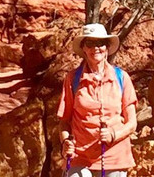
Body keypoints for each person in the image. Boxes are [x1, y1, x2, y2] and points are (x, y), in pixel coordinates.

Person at [58, 23, 138, 177]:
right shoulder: (72, 79)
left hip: (115, 157)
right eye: (90, 43)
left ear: (107, 47)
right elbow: (64, 121)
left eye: (100, 43)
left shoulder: (121, 78)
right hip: (80, 156)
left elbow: (132, 123)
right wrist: (65, 142)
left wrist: (113, 134)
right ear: (84, 48)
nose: (96, 48)